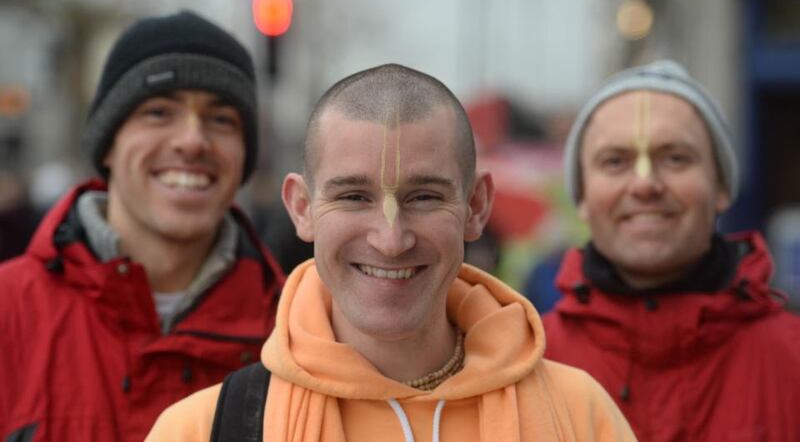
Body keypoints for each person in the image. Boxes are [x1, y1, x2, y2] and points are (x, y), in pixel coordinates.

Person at [146, 64, 635, 442]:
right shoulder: (203, 429)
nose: (391, 239)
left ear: (476, 206)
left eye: (423, 197)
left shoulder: (578, 415)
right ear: (301, 208)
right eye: (353, 197)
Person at [0, 11, 284, 442]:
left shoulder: (297, 335)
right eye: (158, 112)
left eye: (222, 119)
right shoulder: (9, 314)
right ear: (108, 143)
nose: (192, 140)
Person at [542, 60, 800, 441]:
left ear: (723, 188)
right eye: (615, 161)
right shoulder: (525, 367)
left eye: (676, 158)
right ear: (582, 197)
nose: (645, 185)